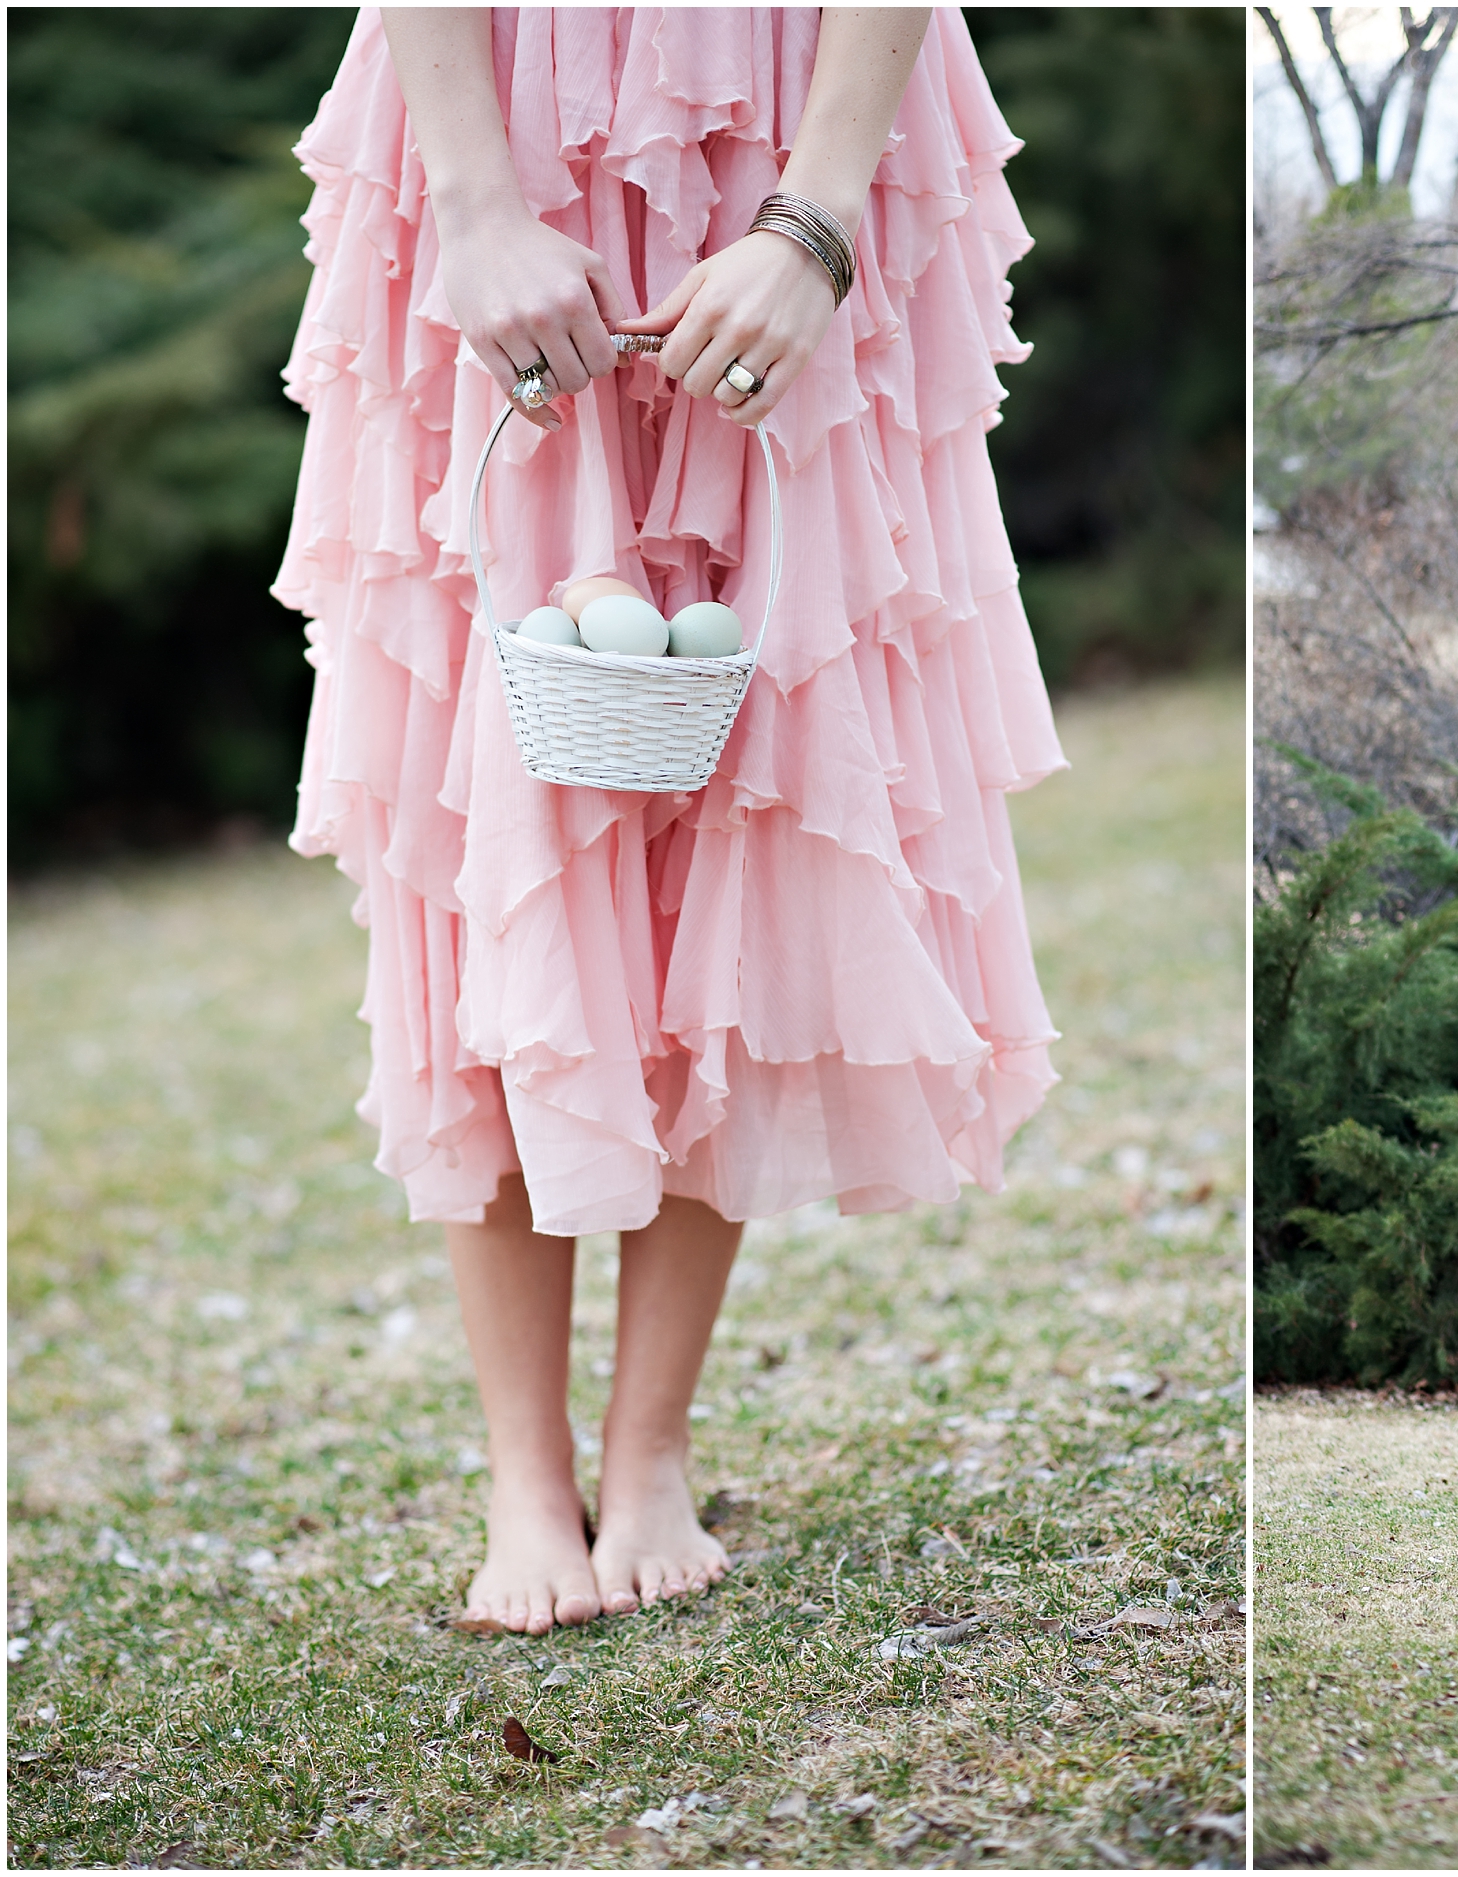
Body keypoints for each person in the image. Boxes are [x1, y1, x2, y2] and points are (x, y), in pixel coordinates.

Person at [277, 8, 1063, 1634]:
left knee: (748, 772)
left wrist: (815, 211)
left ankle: (648, 1452)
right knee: (497, 771)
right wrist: (481, 207)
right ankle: (520, 1466)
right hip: (489, 85)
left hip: (800, 86)